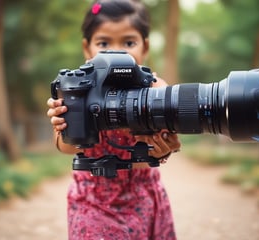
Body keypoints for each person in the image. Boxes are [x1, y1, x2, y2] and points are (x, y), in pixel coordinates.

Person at [47, 0, 181, 239]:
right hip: (92, 199)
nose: (116, 50)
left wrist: (164, 148)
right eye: (104, 43)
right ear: (87, 48)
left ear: (145, 46)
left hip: (144, 197)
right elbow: (66, 147)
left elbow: (166, 141)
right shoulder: (80, 86)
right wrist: (62, 124)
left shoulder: (155, 88)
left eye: (129, 42)